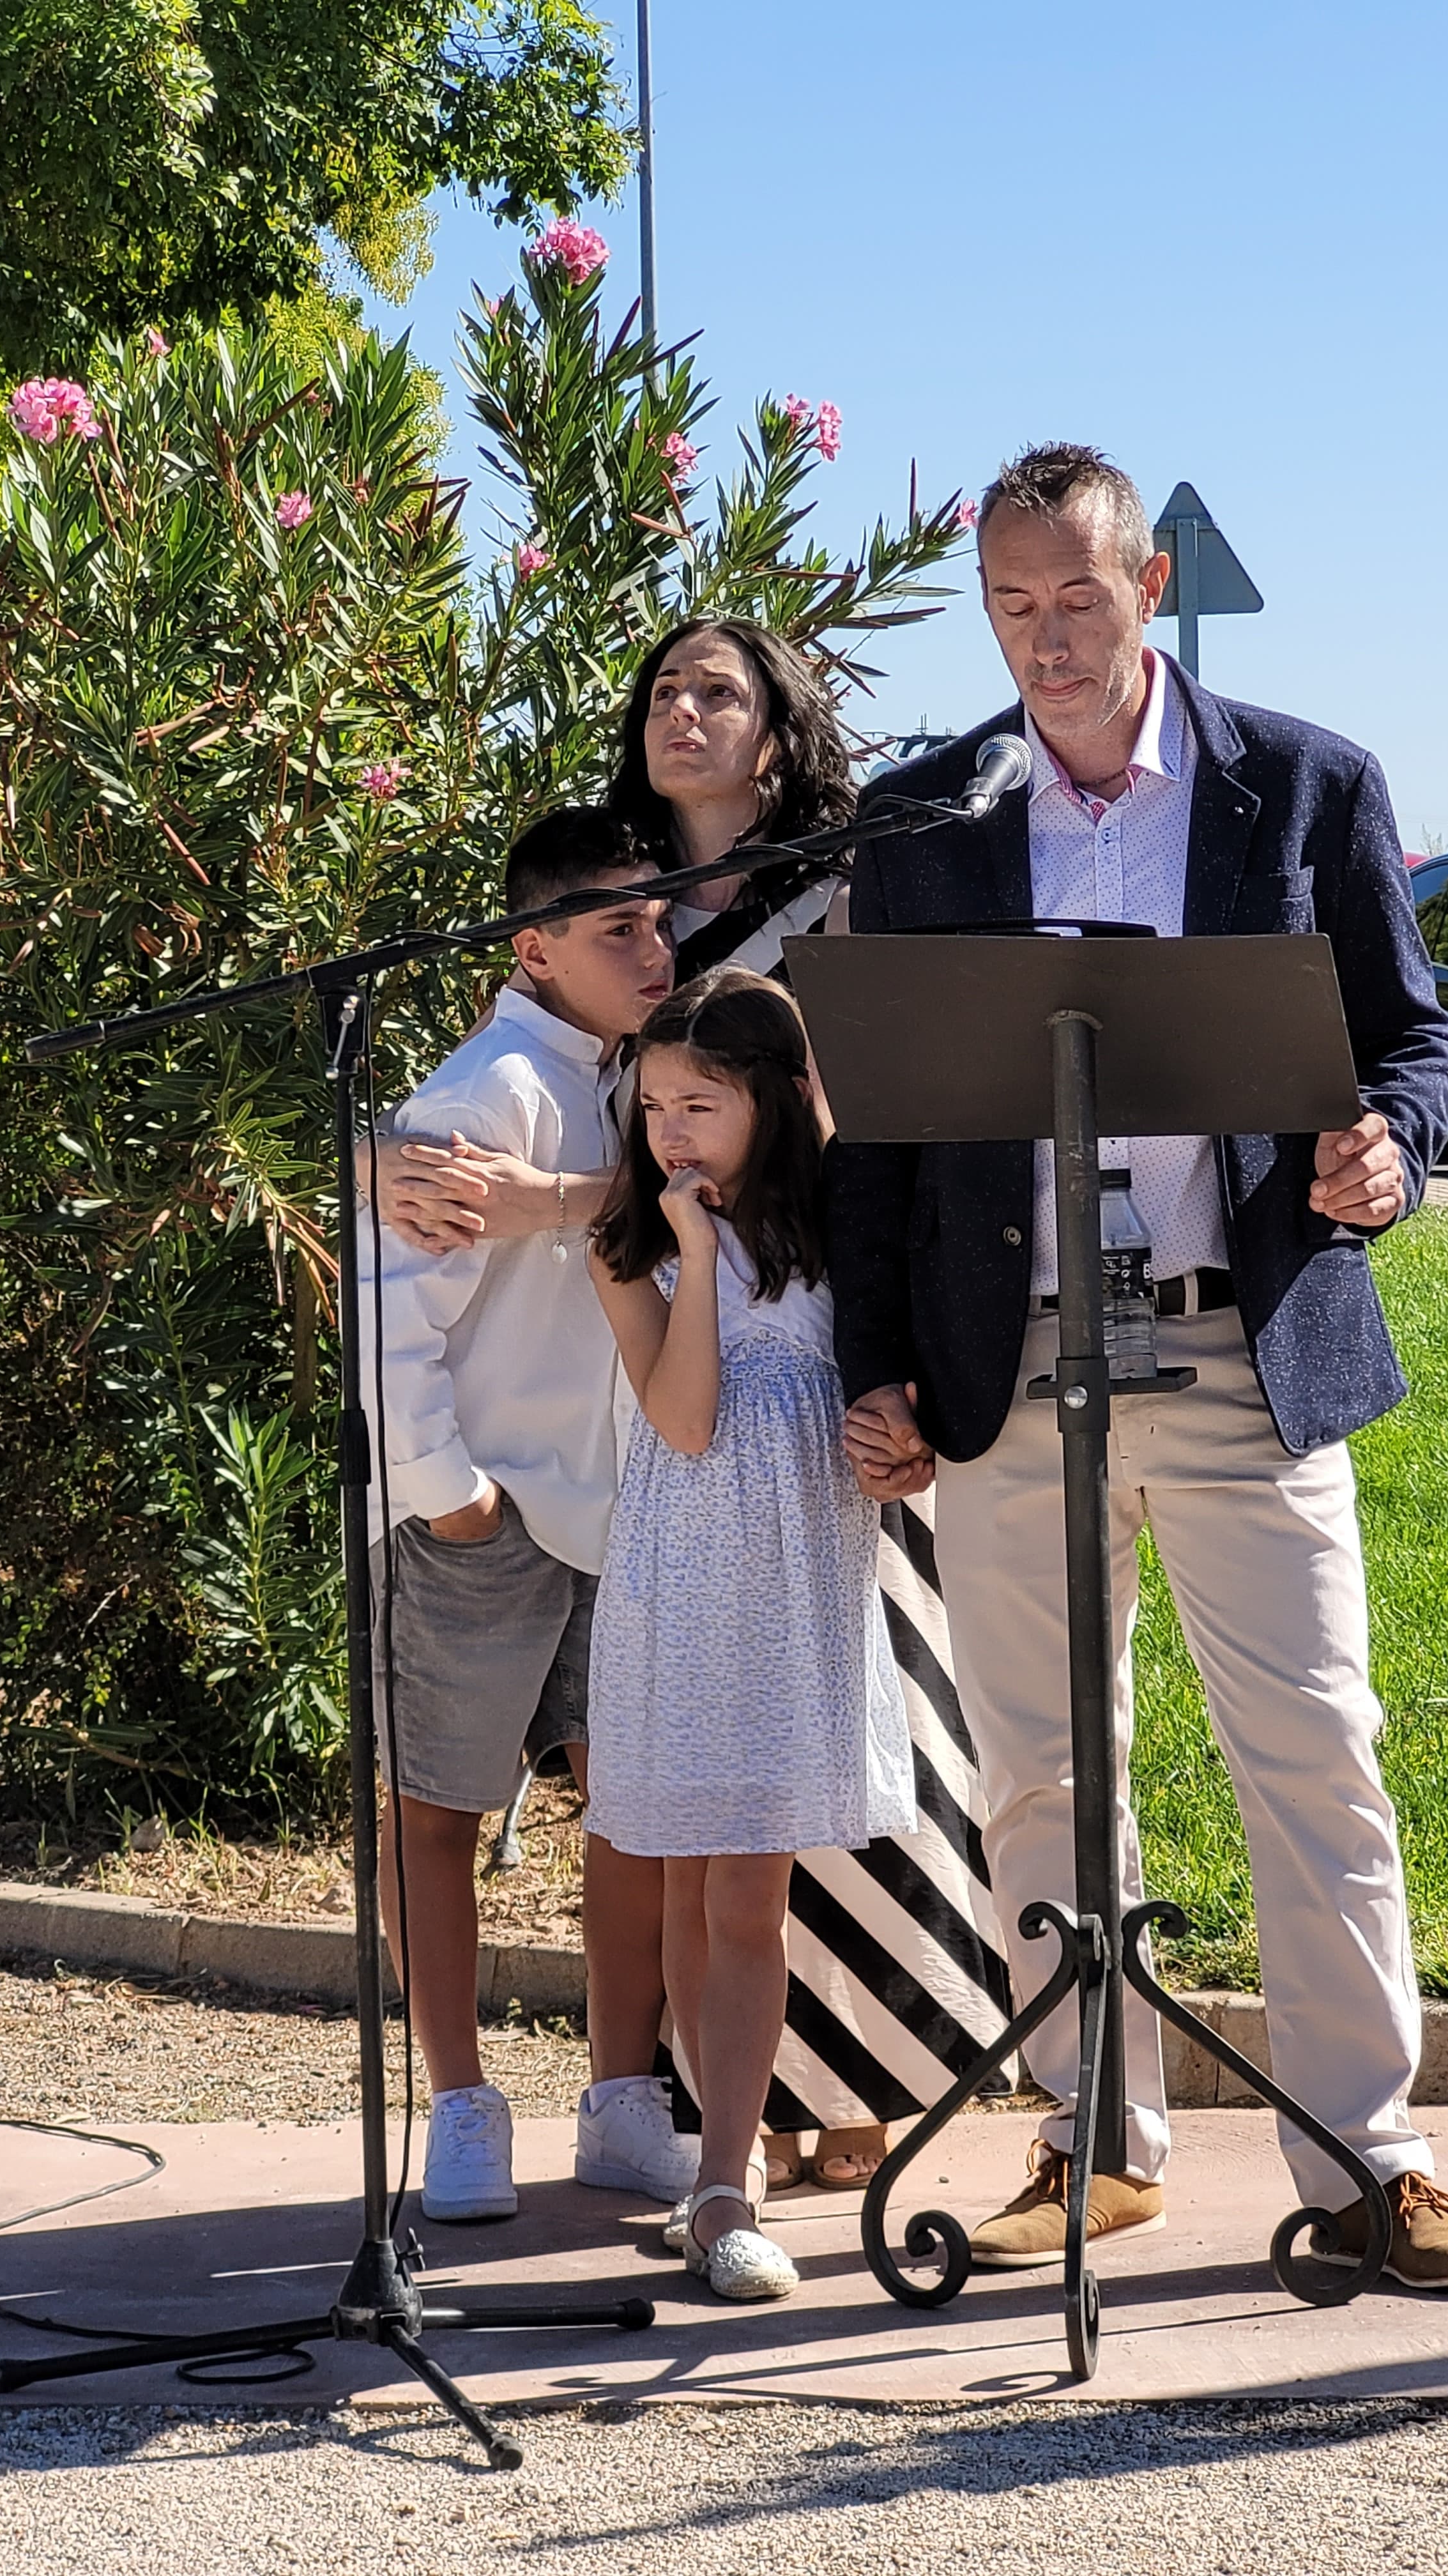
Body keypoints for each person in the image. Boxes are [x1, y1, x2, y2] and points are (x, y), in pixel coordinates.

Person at [831, 442, 1448, 2292]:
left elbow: (1412, 1045)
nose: (1043, 641)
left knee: (1317, 1758)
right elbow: (880, 1142)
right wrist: (882, 1372)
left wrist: (1390, 1148)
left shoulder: (1304, 786)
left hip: (1241, 1347)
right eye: (1009, 606)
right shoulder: (926, 825)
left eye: (1075, 596)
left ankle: (1374, 2158)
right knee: (1047, 1780)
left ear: (1148, 592)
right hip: (1008, 1365)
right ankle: (1094, 2139)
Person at [361, 617, 1011, 2196]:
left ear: (783, 733)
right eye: (663, 687)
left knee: (806, 1791)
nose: (685, 711)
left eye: (722, 690)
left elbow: (846, 1158)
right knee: (663, 1799)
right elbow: (492, 1156)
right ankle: (672, 2110)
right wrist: (384, 1160)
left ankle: (851, 2091)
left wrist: (550, 1208)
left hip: (799, 1408)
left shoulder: (845, 895)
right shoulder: (607, 909)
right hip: (636, 1443)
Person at [359, 807, 695, 2223]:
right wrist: (452, 1500)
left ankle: (622, 2100)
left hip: (615, 1516)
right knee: (434, 1809)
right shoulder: (492, 1087)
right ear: (534, 948)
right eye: (616, 926)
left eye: (659, 918)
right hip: (483, 1523)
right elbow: (388, 1320)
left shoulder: (634, 1080)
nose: (652, 944)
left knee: (629, 1807)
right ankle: (458, 2107)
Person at [586, 967, 915, 2298]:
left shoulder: (850, 1231)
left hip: (796, 1586)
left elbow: (896, 1396)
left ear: (775, 1100)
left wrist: (909, 1438)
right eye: (655, 1103)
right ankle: (718, 2168)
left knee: (748, 1890)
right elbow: (683, 1417)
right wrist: (702, 1256)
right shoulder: (633, 1245)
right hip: (680, 1586)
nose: (671, 1129)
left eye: (701, 1104)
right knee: (684, 1870)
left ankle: (728, 2179)